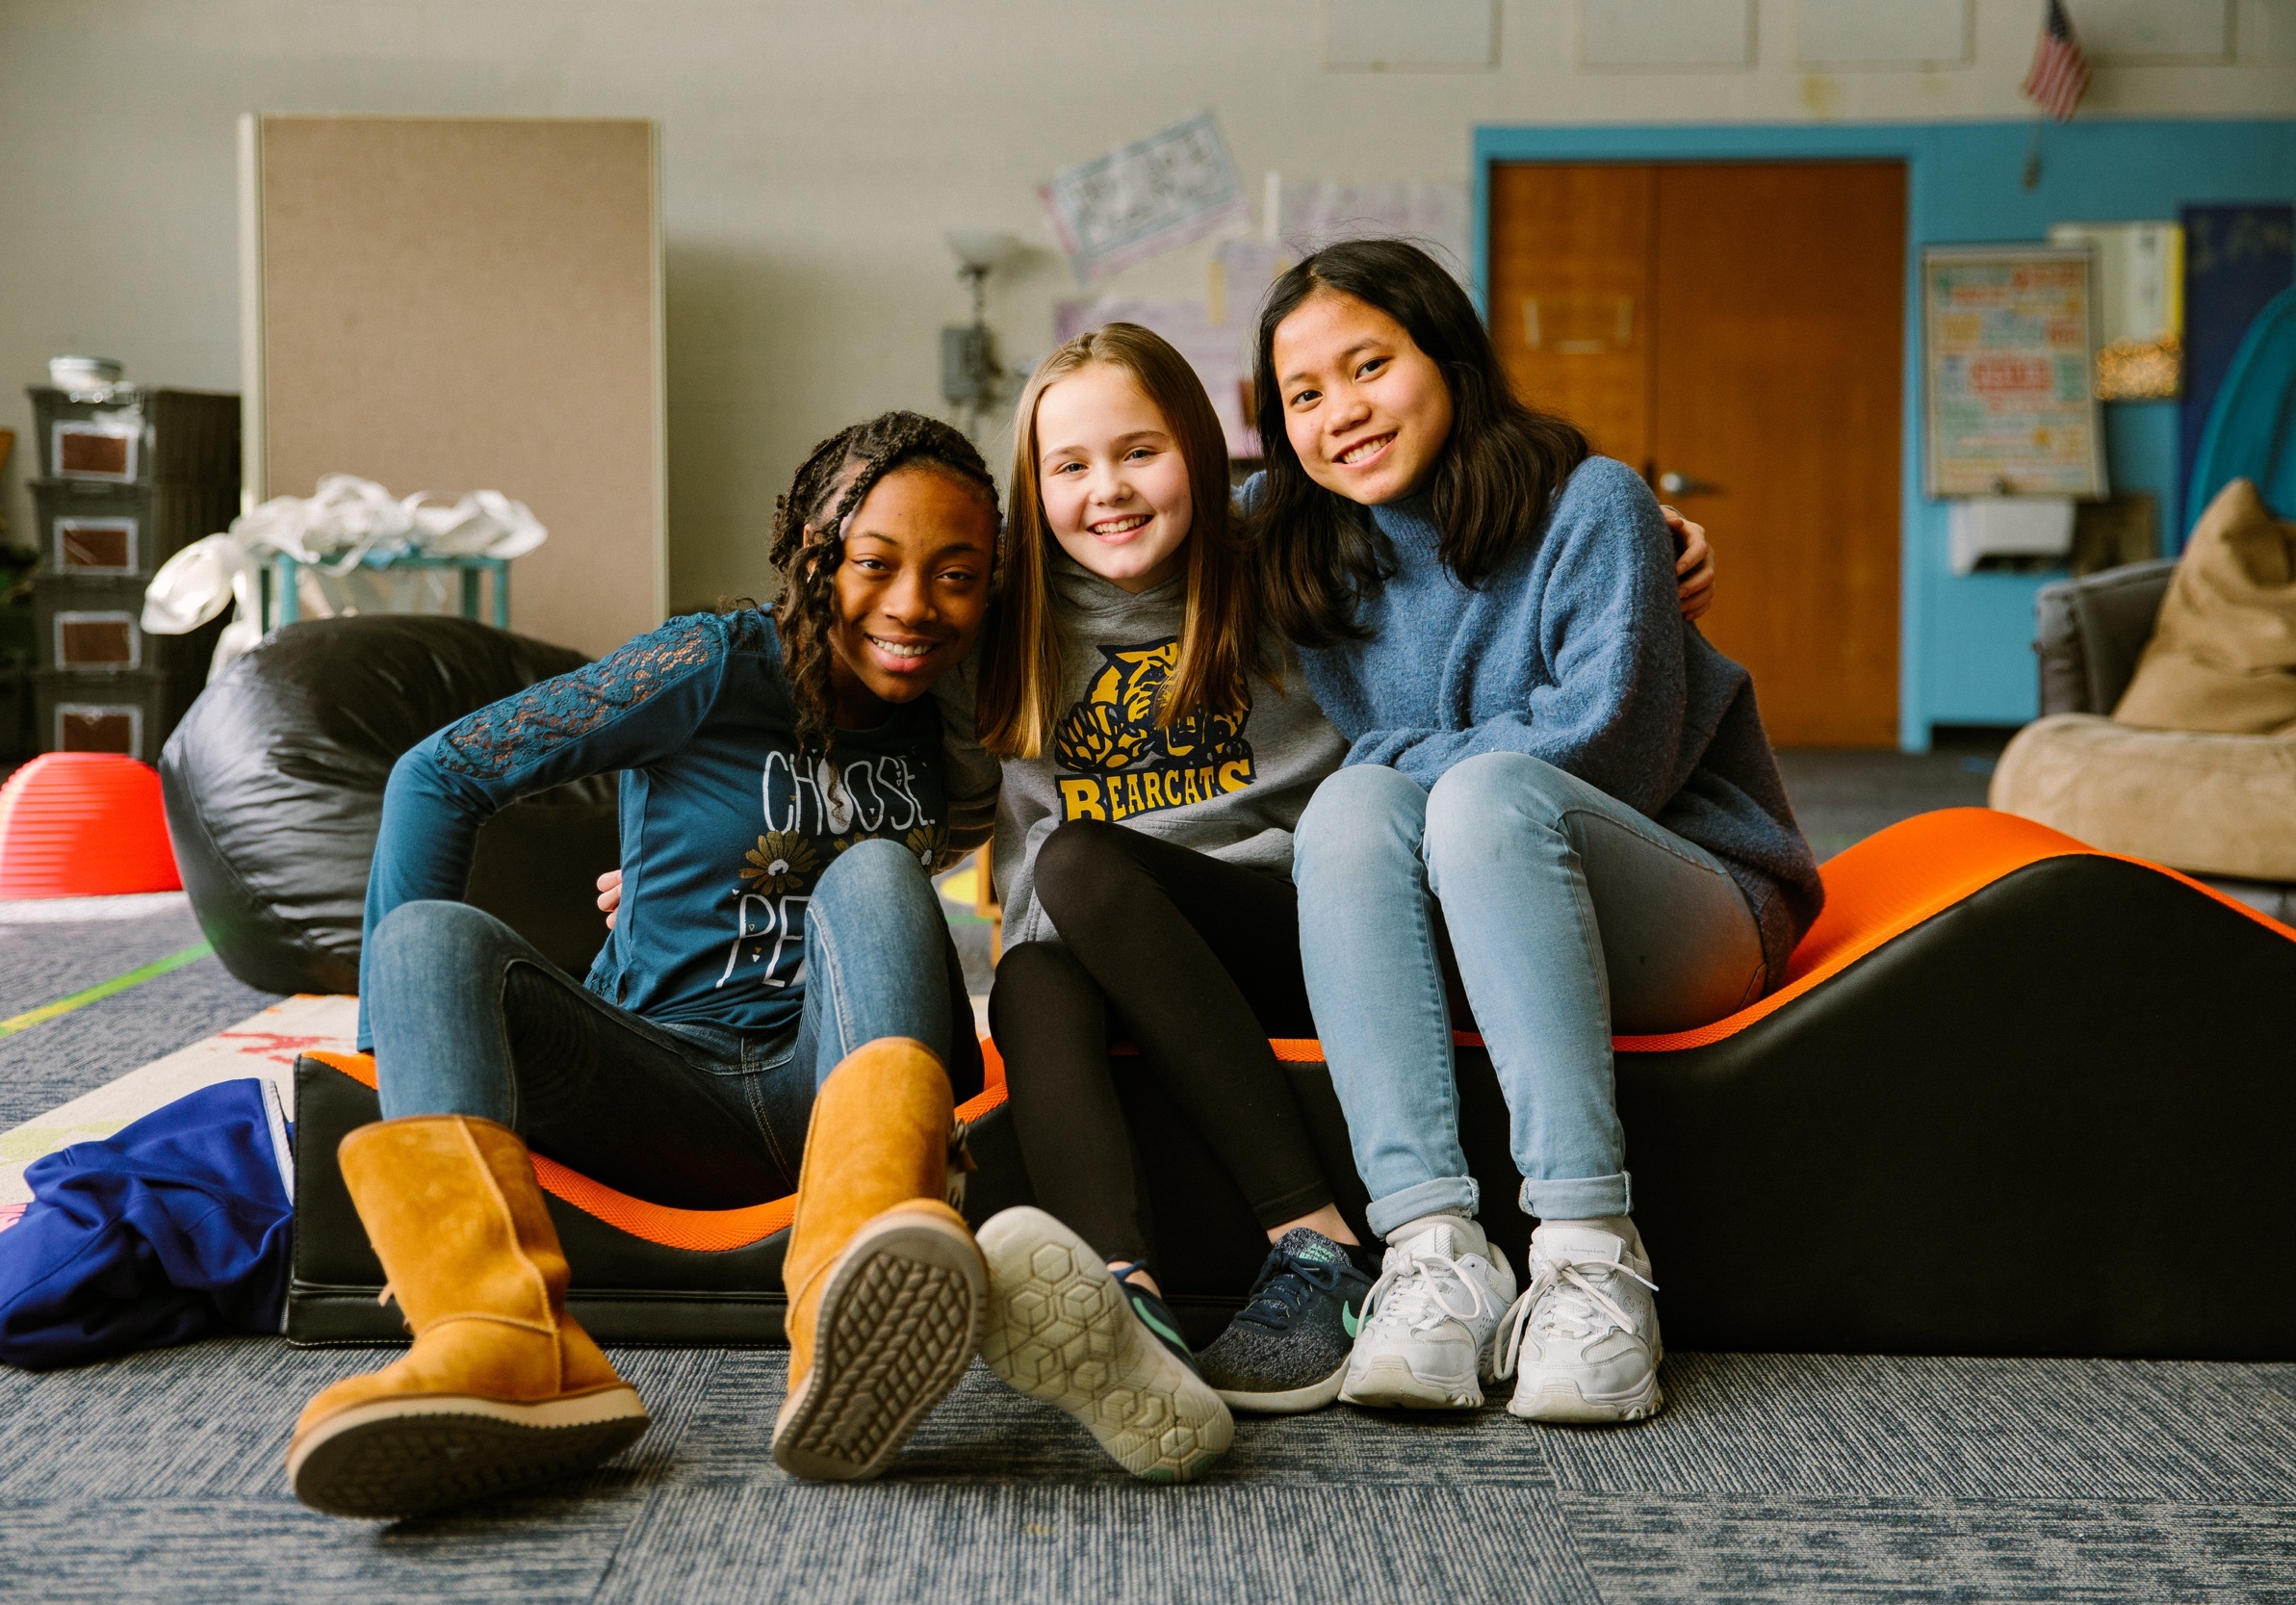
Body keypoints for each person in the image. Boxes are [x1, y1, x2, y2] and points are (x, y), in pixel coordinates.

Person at [936, 323, 1711, 1467]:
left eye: (1140, 451)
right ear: (1031, 487)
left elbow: (1455, 532)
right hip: (1109, 947)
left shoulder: (1279, 551)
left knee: (1078, 861)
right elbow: (874, 667)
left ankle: (1318, 1246)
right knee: (1032, 973)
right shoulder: (1004, 624)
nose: (1108, 489)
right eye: (1070, 465)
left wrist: (1647, 548)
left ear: (1204, 456)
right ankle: (1122, 1300)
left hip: (1305, 925)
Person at [285, 411, 1005, 1520]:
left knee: (873, 872)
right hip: (656, 1079)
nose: (914, 604)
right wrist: (398, 1066)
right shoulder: (710, 661)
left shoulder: (954, 711)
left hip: (841, 1095)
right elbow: (441, 772)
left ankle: (848, 1302)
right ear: (811, 552)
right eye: (875, 563)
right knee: (428, 937)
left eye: (955, 576)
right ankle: (500, 1336)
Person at [1245, 239, 1822, 1424]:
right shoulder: (1296, 537)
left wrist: (1397, 758)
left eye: (1369, 365)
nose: (1339, 411)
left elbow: (1609, 745)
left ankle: (1590, 1254)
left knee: (1475, 794)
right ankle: (1433, 1252)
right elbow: (1120, 505)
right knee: (1348, 809)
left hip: (1693, 896)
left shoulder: (1592, 502)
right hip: (1488, 908)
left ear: (1448, 357)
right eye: (1302, 394)